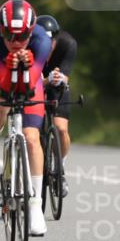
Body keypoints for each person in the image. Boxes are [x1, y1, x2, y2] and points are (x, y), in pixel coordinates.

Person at [0, 0, 52, 236]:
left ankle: (35, 205)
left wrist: (25, 66)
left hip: (29, 75)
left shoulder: (42, 42)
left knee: (32, 138)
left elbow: (31, 84)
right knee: (1, 100)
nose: (14, 42)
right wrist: (10, 66)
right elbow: (3, 83)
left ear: (31, 32)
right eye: (8, 35)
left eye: (21, 37)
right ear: (1, 31)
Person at [35, 15, 77, 196]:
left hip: (58, 88)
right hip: (36, 86)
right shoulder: (30, 47)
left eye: (50, 41)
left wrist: (59, 78)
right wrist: (45, 80)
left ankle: (60, 167)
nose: (47, 45)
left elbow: (66, 74)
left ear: (56, 39)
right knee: (33, 132)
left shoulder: (68, 44)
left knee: (60, 128)